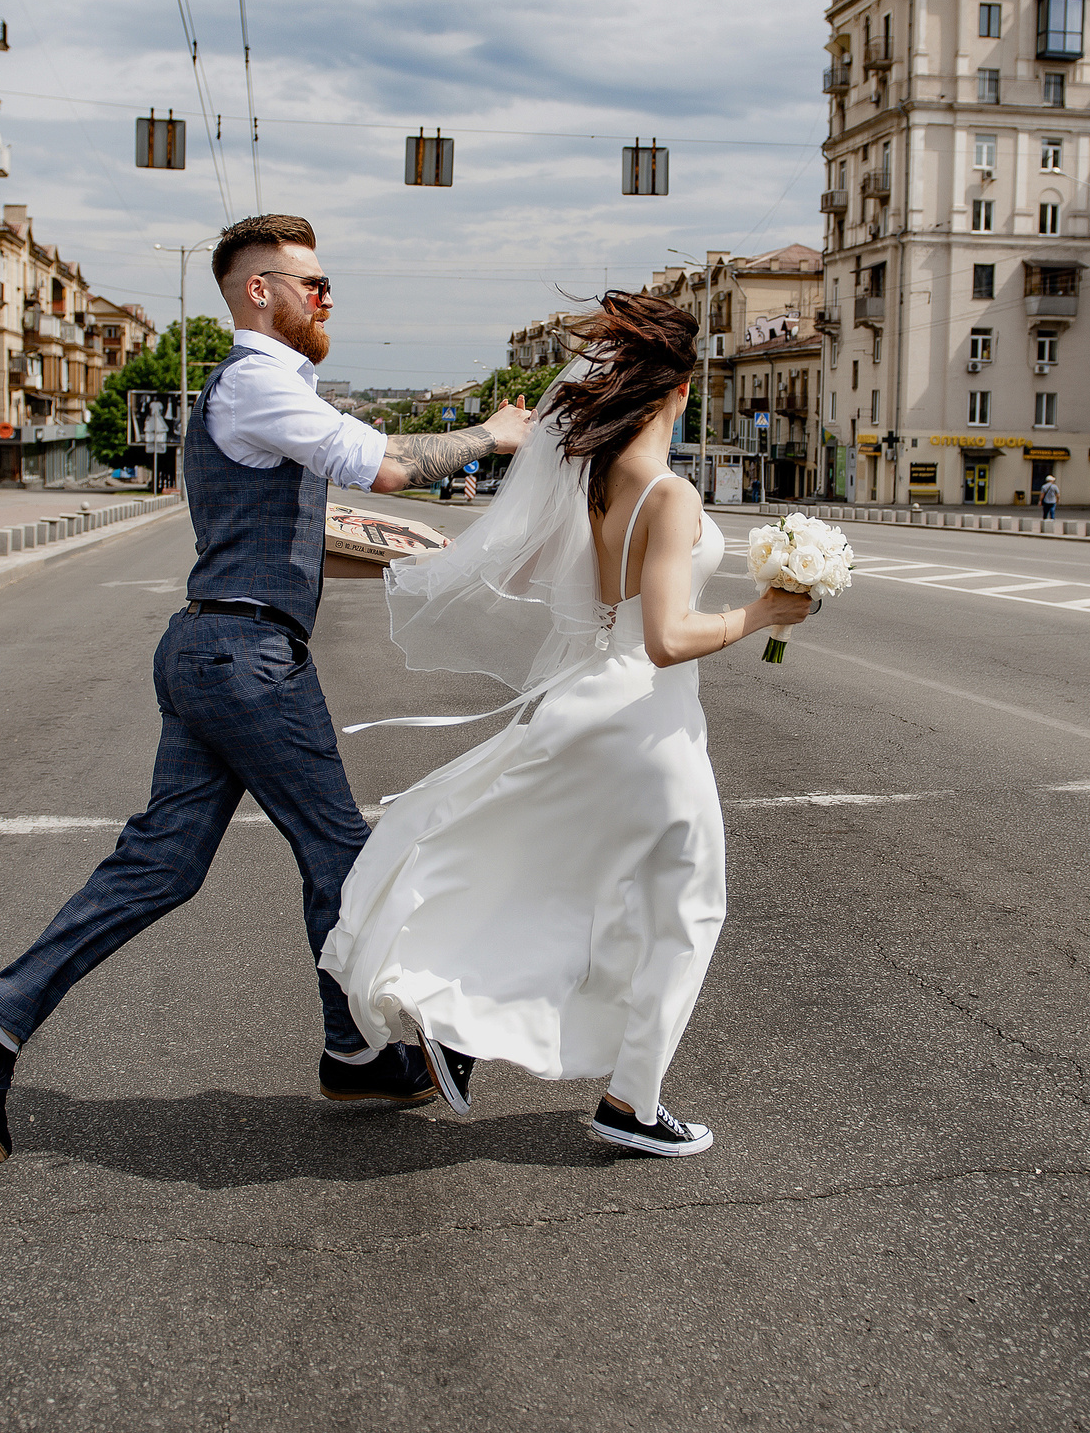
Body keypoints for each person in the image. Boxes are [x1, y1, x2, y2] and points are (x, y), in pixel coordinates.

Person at [0, 214, 536, 1163]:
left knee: (162, 866)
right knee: (343, 855)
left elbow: (298, 536)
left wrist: (420, 562)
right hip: (247, 659)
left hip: (213, 646)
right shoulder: (258, 381)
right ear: (261, 290)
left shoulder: (259, 391)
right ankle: (359, 1047)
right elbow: (385, 465)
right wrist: (492, 434)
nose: (327, 298)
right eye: (313, 283)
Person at [323, 292, 811, 1156]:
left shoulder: (594, 485)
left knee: (560, 877)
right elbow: (666, 639)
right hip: (648, 718)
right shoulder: (670, 494)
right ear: (682, 390)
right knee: (689, 904)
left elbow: (549, 583)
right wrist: (765, 612)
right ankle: (631, 1102)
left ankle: (458, 1025)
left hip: (589, 696)